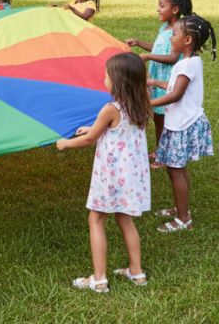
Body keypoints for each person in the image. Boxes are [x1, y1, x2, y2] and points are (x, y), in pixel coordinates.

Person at [56, 52, 152, 292]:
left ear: (117, 81)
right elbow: (118, 128)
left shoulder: (110, 108)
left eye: (107, 75)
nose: (104, 78)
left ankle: (98, 279)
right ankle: (137, 273)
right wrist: (95, 127)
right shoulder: (142, 101)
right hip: (131, 176)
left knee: (96, 219)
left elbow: (89, 140)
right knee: (125, 219)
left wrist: (65, 144)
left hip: (111, 176)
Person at [148, 14, 216, 233]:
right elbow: (173, 85)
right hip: (180, 122)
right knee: (177, 167)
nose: (170, 38)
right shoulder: (189, 62)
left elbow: (175, 95)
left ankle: (184, 218)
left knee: (175, 170)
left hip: (182, 124)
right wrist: (154, 81)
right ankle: (180, 207)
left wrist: (148, 102)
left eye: (174, 34)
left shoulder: (186, 65)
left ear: (187, 40)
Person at [125, 0, 192, 166]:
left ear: (175, 9)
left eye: (162, 6)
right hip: (156, 77)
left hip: (166, 81)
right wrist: (139, 42)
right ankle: (160, 150)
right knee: (158, 118)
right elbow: (156, 47)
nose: (158, 9)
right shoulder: (164, 28)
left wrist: (148, 57)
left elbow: (172, 57)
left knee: (165, 119)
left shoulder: (179, 31)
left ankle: (164, 156)